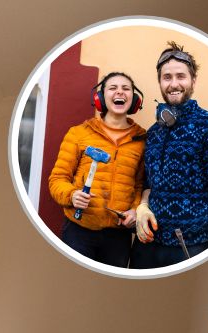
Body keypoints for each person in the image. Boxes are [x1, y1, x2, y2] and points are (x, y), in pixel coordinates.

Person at [131, 41, 208, 268]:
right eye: (167, 77)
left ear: (193, 81)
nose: (173, 84)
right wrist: (143, 207)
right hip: (147, 246)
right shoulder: (153, 132)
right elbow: (149, 182)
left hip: (190, 247)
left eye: (181, 76)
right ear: (160, 81)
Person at [47, 71, 146, 268]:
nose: (120, 92)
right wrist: (72, 195)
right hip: (79, 232)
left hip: (118, 236)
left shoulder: (142, 140)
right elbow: (57, 179)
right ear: (100, 98)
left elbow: (139, 185)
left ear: (134, 100)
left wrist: (135, 211)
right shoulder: (79, 134)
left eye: (126, 89)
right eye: (113, 88)